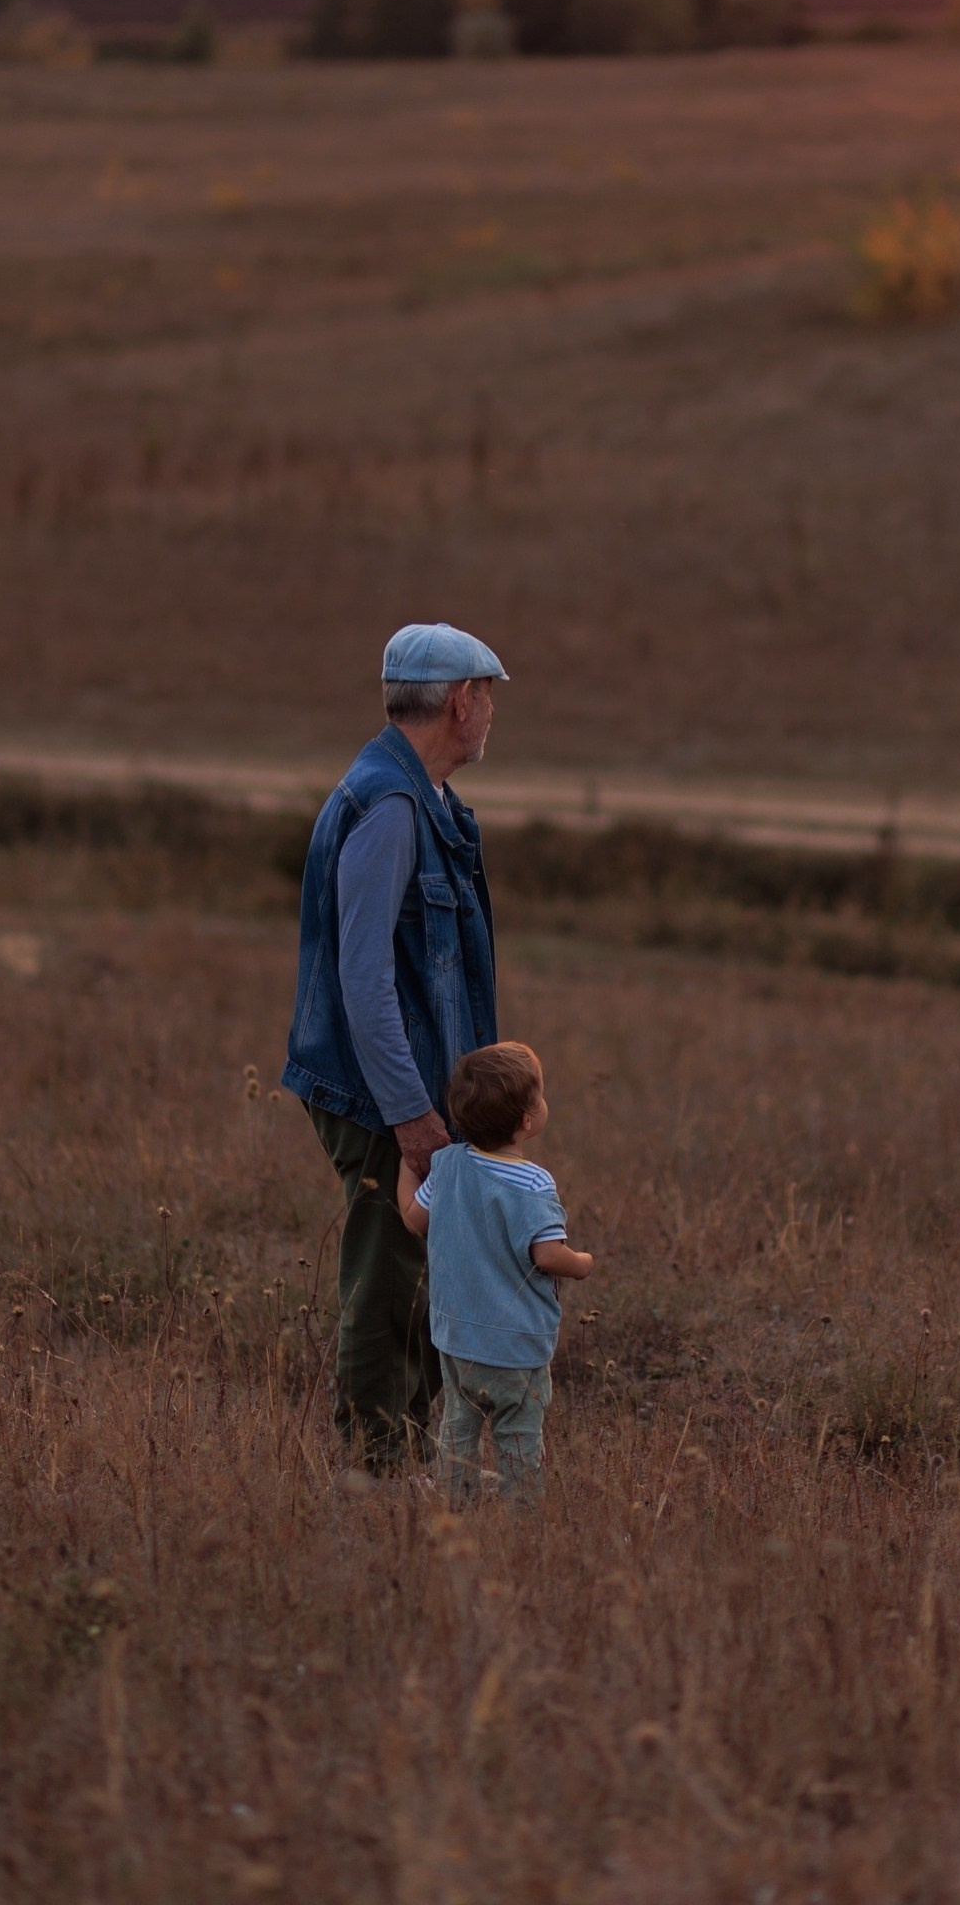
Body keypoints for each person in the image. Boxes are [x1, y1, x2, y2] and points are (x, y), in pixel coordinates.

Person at [281, 622, 507, 1468]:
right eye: (488, 694)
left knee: (421, 1283)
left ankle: (408, 1466)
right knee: (388, 1287)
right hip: (383, 1095)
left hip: (412, 1092)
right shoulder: (390, 806)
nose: (490, 713)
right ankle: (374, 1478)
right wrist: (413, 1117)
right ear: (460, 701)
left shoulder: (422, 799)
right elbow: (364, 979)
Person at [398, 1041, 593, 1507]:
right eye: (540, 1097)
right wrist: (582, 1263)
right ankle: (520, 1522)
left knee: (457, 1427)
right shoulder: (533, 1183)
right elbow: (548, 1255)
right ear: (528, 1120)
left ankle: (451, 1503)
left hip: (455, 1339)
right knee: (519, 1436)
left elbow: (412, 1217)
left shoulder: (446, 1167)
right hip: (516, 1347)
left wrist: (407, 1165)